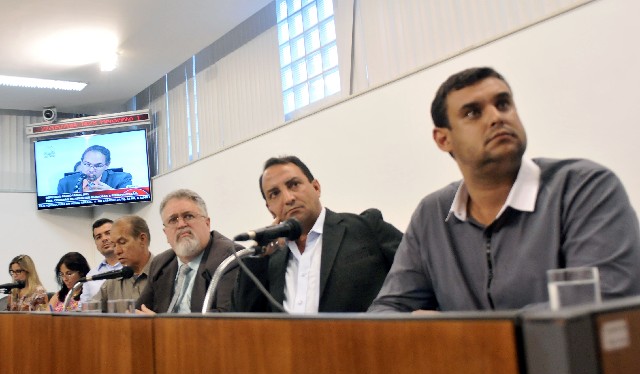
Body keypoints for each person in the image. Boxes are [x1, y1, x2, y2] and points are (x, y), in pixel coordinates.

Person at [369, 66, 640, 313]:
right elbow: (386, 311)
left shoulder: (584, 188)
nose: (496, 117)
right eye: (473, 112)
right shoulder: (432, 214)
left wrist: (454, 333)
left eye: (503, 104)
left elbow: (601, 304)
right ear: (443, 139)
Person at [231, 156, 403, 313]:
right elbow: (242, 317)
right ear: (270, 208)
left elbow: (415, 271)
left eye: (293, 185)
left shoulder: (365, 228)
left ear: (316, 187)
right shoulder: (269, 259)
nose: (288, 198)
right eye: (275, 194)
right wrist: (259, 258)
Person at [136, 189, 241, 314]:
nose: (181, 224)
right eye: (173, 220)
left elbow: (226, 319)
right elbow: (138, 311)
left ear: (207, 223)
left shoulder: (230, 258)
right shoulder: (160, 263)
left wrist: (161, 323)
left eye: (188, 216)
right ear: (166, 233)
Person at [91, 215, 153, 312]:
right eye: (114, 245)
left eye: (122, 242)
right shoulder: (111, 283)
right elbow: (88, 314)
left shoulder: (165, 274)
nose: (117, 251)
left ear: (142, 239)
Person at [79, 218, 122, 304]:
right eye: (98, 237)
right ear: (96, 244)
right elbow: (84, 306)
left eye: (108, 233)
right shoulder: (91, 275)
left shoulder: (132, 267)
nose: (104, 239)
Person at [57, 145, 132, 194]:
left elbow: (129, 203)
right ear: (82, 162)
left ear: (107, 165)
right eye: (87, 164)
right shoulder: (65, 183)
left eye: (98, 166)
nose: (91, 170)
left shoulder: (122, 179)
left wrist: (112, 193)